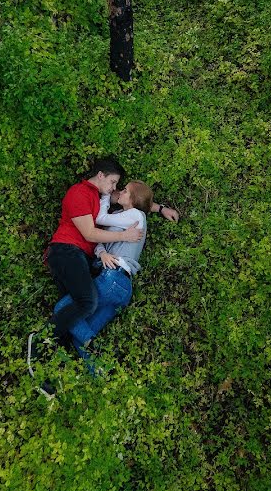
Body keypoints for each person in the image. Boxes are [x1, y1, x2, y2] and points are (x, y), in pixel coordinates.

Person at [27, 157, 179, 399]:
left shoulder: (124, 211)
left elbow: (136, 205)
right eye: (113, 183)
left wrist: (159, 208)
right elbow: (91, 231)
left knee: (69, 312)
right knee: (81, 315)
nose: (115, 189)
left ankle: (51, 351)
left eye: (120, 187)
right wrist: (106, 247)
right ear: (100, 176)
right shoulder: (80, 192)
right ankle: (93, 367)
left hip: (105, 273)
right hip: (78, 257)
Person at [50, 180, 154, 376]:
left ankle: (98, 351)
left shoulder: (136, 215)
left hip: (112, 279)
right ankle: (104, 375)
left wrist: (105, 195)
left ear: (134, 198)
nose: (120, 192)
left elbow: (100, 217)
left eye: (125, 190)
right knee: (79, 334)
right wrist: (102, 254)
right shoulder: (119, 217)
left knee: (63, 308)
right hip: (121, 287)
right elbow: (99, 239)